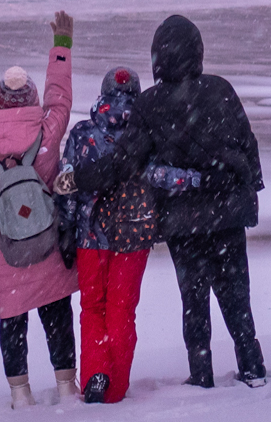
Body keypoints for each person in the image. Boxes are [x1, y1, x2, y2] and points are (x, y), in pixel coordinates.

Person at [61, 14, 267, 388]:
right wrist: (252, 186)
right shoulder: (221, 89)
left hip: (183, 220)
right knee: (237, 295)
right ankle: (252, 366)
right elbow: (247, 145)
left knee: (194, 298)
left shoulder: (150, 105)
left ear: (158, 57)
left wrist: (77, 179)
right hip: (227, 212)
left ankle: (201, 374)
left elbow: (122, 165)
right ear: (198, 52)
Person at [58, 65, 203, 403]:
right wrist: (196, 179)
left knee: (92, 307)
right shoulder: (148, 133)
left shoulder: (82, 134)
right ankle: (116, 387)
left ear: (102, 95)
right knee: (122, 309)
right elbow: (160, 175)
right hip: (133, 235)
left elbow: (66, 185)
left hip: (89, 237)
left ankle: (96, 375)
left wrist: (65, 227)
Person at [0, 12, 78, 406]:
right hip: (46, 240)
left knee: (12, 321)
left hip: (5, 250)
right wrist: (61, 48)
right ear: (31, 101)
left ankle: (21, 393)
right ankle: (66, 385)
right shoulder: (47, 132)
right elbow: (60, 98)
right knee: (57, 314)